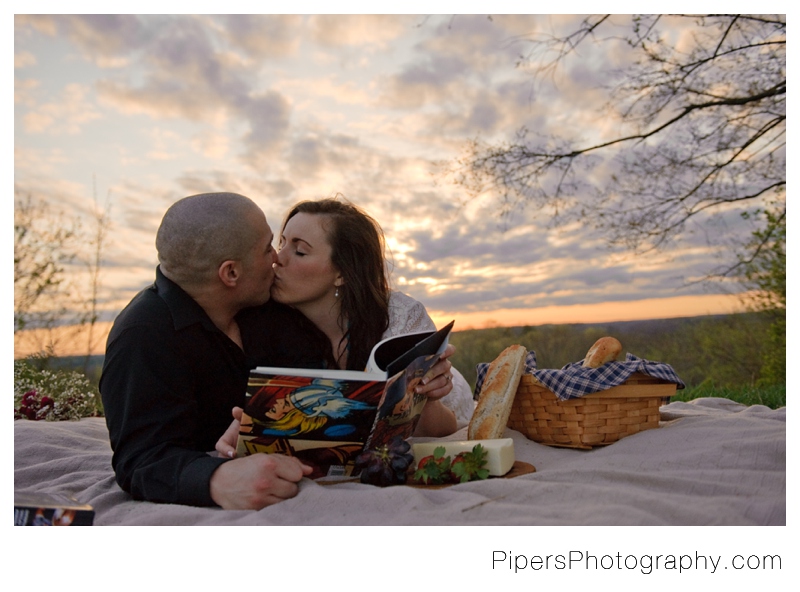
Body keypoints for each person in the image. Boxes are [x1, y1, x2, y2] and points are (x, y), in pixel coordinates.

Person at [100, 192, 458, 511]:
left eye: (292, 248)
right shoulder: (142, 336)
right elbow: (141, 458)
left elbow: (311, 394)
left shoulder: (271, 312)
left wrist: (262, 428)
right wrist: (215, 479)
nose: (276, 258)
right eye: (269, 246)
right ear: (230, 273)